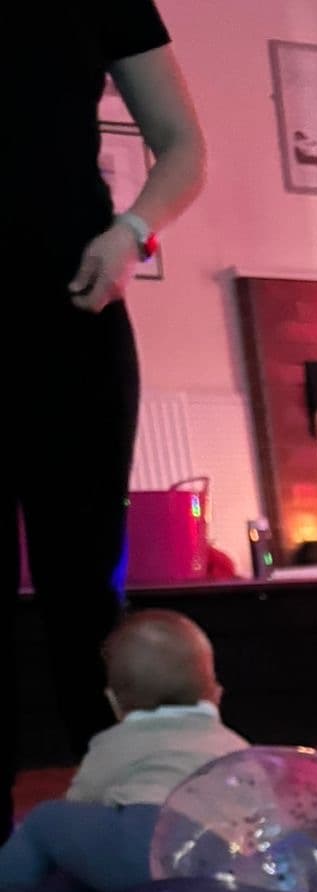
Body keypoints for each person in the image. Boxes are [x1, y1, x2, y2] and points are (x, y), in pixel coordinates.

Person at [4, 12, 208, 842]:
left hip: (72, 317)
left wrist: (131, 233)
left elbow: (183, 145)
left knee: (85, 593)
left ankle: (122, 832)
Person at [0, 610, 245, 892]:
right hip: (213, 859)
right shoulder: (234, 744)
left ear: (113, 702)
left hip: (139, 853)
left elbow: (83, 801)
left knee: (45, 819)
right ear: (217, 694)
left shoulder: (115, 742)